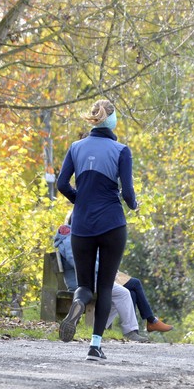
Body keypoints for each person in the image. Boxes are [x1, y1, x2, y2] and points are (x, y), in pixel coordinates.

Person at [56, 99, 138, 361]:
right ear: (112, 121)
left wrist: (79, 199)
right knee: (105, 287)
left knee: (84, 286)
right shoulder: (121, 150)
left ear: (93, 119)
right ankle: (95, 345)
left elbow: (61, 183)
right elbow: (127, 192)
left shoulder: (76, 147)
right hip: (112, 224)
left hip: (81, 225)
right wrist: (134, 205)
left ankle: (79, 303)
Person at [53, 221, 148, 342]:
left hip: (88, 281)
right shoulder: (70, 238)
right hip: (84, 283)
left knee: (115, 297)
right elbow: (77, 260)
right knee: (123, 294)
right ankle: (130, 331)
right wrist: (105, 270)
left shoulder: (74, 236)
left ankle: (96, 327)